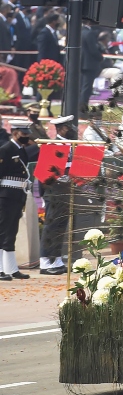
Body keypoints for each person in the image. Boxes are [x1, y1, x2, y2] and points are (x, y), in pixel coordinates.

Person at [38, 115, 76, 275]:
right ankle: (45, 261)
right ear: (60, 129)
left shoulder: (72, 145)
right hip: (54, 190)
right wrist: (45, 195)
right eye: (68, 127)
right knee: (51, 226)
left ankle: (56, 258)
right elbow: (43, 174)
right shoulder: (53, 146)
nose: (71, 129)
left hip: (66, 189)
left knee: (61, 226)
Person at [0, 128, 31, 281]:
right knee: (2, 231)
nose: (26, 137)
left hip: (18, 195)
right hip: (5, 196)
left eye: (27, 135)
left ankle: (11, 269)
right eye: (23, 135)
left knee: (11, 232)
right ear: (14, 133)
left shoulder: (21, 150)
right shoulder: (5, 150)